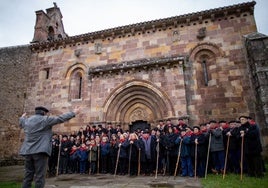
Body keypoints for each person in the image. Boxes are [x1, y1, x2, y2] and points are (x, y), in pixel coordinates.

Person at [19, 106, 80, 188]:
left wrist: (22, 117)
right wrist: (73, 113)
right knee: (40, 176)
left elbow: (21, 122)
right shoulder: (45, 120)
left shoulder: (26, 121)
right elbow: (60, 118)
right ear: (44, 113)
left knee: (28, 176)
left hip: (27, 151)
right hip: (40, 151)